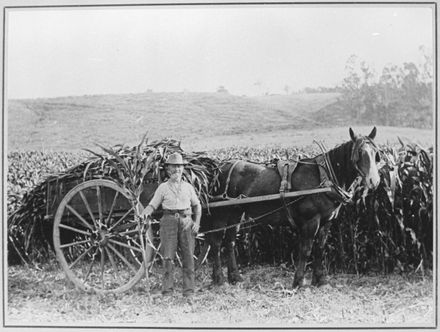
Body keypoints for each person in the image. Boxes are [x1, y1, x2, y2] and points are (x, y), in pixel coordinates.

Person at [139, 152, 202, 298]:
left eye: (179, 167)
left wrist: (197, 223)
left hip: (187, 222)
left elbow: (197, 206)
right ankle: (167, 291)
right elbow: (152, 205)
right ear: (168, 170)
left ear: (182, 169)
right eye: (173, 167)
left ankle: (189, 292)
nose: (176, 170)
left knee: (188, 257)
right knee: (168, 258)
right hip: (168, 222)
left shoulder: (188, 187)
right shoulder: (163, 188)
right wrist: (144, 214)